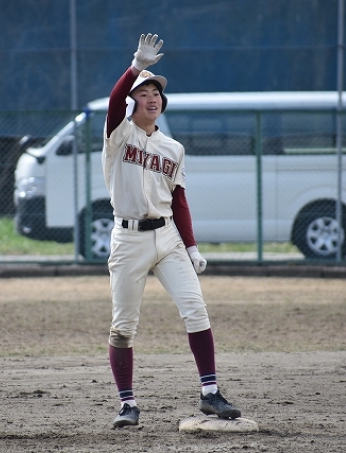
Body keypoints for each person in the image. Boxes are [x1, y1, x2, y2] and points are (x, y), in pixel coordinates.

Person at [103, 33, 242, 428]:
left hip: (167, 237)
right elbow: (114, 102)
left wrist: (191, 246)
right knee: (123, 327)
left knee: (195, 309)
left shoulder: (173, 148)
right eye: (143, 93)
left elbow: (179, 200)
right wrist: (135, 68)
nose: (152, 98)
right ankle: (128, 404)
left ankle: (210, 393)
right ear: (132, 102)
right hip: (128, 238)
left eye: (156, 93)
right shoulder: (118, 135)